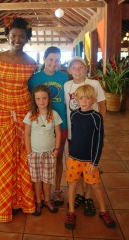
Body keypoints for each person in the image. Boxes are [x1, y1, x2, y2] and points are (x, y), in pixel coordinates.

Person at [0, 16, 37, 222]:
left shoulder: (32, 63)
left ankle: (21, 200)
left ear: (27, 39)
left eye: (21, 36)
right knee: (4, 156)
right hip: (3, 112)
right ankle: (3, 201)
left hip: (24, 112)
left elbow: (33, 89)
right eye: (13, 35)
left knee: (23, 155)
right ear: (7, 36)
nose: (17, 39)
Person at [65, 84, 116, 229]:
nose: (84, 101)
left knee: (96, 185)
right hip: (74, 157)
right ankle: (71, 212)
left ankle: (103, 211)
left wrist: (95, 161)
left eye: (88, 98)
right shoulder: (74, 115)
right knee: (72, 183)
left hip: (89, 160)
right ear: (76, 99)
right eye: (81, 98)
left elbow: (99, 140)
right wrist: (70, 153)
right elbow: (74, 135)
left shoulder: (96, 117)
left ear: (93, 100)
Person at [64, 56, 106, 215]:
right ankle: (80, 193)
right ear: (69, 70)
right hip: (73, 131)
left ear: (86, 69)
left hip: (91, 131)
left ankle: (88, 196)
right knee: (77, 165)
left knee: (89, 165)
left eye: (80, 67)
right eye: (74, 68)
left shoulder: (94, 84)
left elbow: (102, 105)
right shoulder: (67, 85)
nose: (77, 70)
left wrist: (100, 127)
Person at [28, 46, 68, 206]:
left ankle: (56, 190)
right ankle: (38, 193)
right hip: (39, 126)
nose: (54, 63)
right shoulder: (34, 79)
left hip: (60, 124)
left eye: (57, 60)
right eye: (51, 59)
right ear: (44, 59)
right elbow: (28, 100)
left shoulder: (64, 77)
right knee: (37, 160)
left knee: (56, 158)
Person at [24, 85, 62, 216]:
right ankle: (39, 202)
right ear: (34, 100)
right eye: (38, 98)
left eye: (44, 98)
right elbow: (26, 134)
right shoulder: (30, 115)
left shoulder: (54, 114)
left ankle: (47, 200)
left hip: (49, 153)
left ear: (49, 99)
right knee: (37, 179)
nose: (41, 101)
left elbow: (58, 132)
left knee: (47, 179)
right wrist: (29, 152)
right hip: (34, 153)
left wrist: (56, 150)